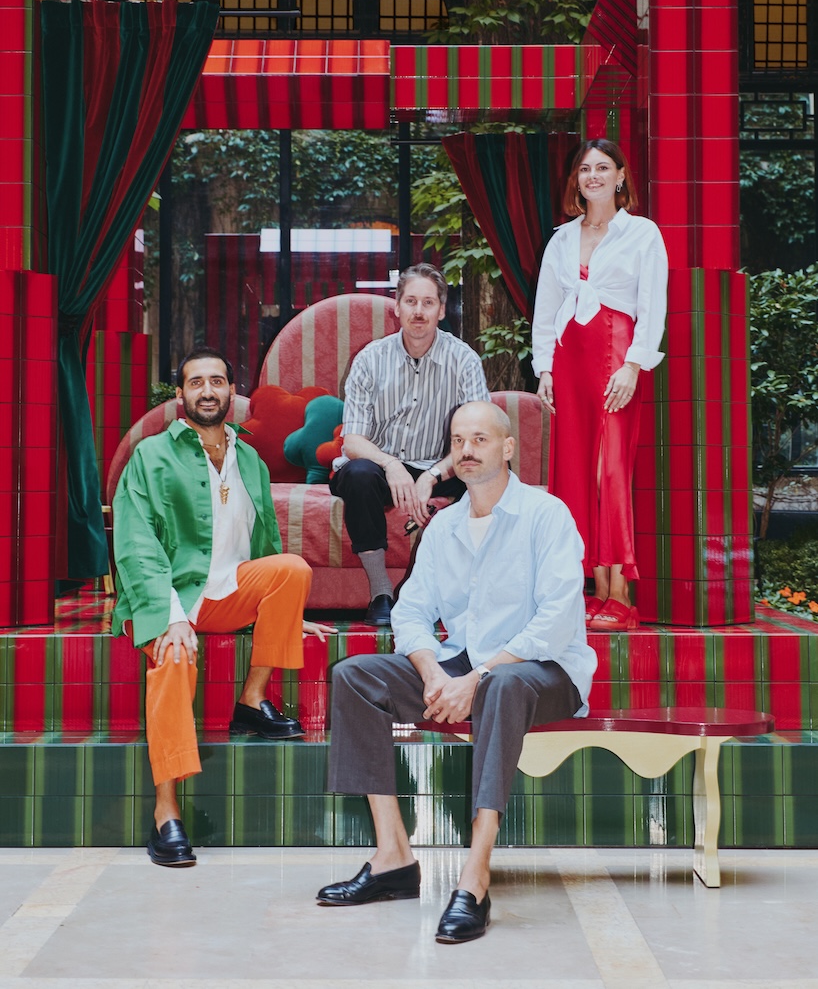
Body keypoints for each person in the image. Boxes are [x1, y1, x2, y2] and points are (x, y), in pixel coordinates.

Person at [317, 401, 596, 943]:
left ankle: (475, 875)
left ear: (507, 448)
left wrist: (477, 676)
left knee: (503, 684)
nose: (468, 450)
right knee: (354, 676)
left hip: (543, 671)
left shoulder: (546, 515)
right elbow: (412, 611)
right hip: (462, 664)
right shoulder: (444, 527)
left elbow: (557, 619)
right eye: (459, 440)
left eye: (481, 439)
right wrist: (431, 674)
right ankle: (393, 856)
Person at [112, 346, 331, 869]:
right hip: (170, 594)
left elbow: (268, 544)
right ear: (181, 394)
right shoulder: (151, 456)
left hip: (229, 590)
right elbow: (137, 543)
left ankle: (251, 702)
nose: (207, 391)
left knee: (294, 568)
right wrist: (169, 616)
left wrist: (285, 607)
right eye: (195, 382)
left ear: (233, 392)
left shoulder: (249, 458)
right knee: (173, 661)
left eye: (217, 381)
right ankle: (167, 811)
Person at [531, 139, 668, 632]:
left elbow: (653, 307)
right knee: (572, 471)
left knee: (610, 472)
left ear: (621, 176)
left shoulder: (642, 234)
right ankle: (589, 587)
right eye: (585, 169)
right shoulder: (561, 239)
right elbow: (545, 310)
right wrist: (544, 369)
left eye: (603, 167)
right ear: (578, 181)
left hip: (617, 356)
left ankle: (622, 594)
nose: (593, 176)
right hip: (569, 361)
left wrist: (634, 366)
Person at [329, 263, 491, 627]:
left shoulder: (463, 359)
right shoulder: (370, 359)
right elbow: (353, 440)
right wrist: (391, 464)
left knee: (491, 473)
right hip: (381, 466)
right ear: (397, 307)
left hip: (441, 463)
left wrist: (433, 474)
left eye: (428, 303)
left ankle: (440, 588)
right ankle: (381, 591)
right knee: (357, 474)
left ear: (441, 309)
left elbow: (480, 436)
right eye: (411, 301)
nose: (419, 312)